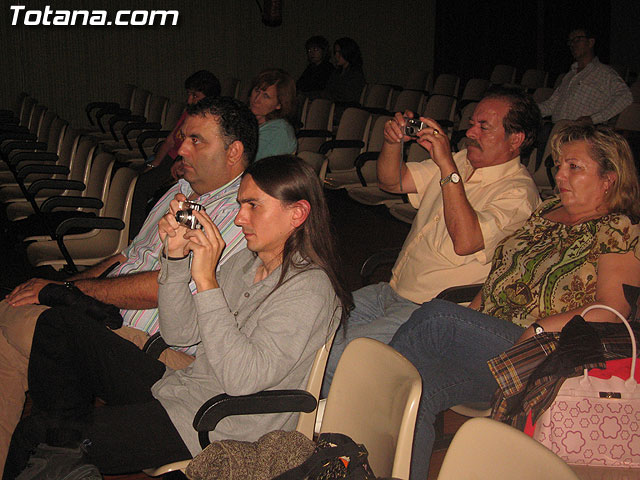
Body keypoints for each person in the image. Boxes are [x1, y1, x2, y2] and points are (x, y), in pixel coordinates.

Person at [4, 155, 351, 477]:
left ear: (298, 213)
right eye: (240, 204)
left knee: (35, 436)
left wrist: (206, 281)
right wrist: (175, 260)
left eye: (253, 206)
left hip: (214, 426)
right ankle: (64, 447)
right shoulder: (248, 262)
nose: (238, 217)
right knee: (59, 325)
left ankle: (60, 447)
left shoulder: (309, 290)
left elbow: (241, 381)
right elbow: (180, 334)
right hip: (182, 390)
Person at [0, 96, 258, 474]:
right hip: (110, 317)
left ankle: (42, 452)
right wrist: (62, 283)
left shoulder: (240, 215)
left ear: (233, 152)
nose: (181, 148)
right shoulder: (180, 192)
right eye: (183, 137)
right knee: (10, 337)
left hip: (156, 346)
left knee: (14, 317)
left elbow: (166, 290)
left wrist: (66, 294)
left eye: (196, 140)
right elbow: (126, 257)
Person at [390, 123, 640, 479]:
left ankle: (363, 404)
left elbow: (612, 311)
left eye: (574, 167)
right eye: (558, 165)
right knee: (415, 393)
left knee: (434, 318)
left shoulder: (620, 229)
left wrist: (538, 330)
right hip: (492, 342)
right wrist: (471, 318)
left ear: (609, 179)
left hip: (543, 351)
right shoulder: (546, 211)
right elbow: (503, 273)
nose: (559, 175)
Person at [322, 86, 542, 397]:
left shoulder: (518, 194)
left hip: (430, 311)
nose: (470, 132)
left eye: (484, 126)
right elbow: (391, 180)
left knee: (339, 356)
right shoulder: (463, 161)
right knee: (315, 333)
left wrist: (448, 168)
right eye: (472, 123)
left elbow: (466, 241)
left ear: (516, 139)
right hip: (392, 291)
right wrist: (391, 142)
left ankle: (323, 429)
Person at [128, 70, 222, 240]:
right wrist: (153, 164)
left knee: (143, 187)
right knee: (138, 179)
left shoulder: (210, 121)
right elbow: (171, 139)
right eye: (189, 95)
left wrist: (179, 161)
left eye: (195, 95)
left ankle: (136, 237)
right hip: (172, 159)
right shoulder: (189, 112)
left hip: (181, 162)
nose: (189, 100)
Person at [539, 27, 632, 125]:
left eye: (577, 40)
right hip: (559, 131)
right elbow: (551, 105)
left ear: (591, 42)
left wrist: (594, 119)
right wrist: (527, 108)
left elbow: (626, 97)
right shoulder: (570, 76)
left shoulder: (605, 73)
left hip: (584, 133)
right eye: (570, 42)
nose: (572, 44)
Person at [249, 68, 298, 160]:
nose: (256, 100)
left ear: (279, 104)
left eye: (266, 96)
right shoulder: (249, 121)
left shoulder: (278, 131)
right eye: (256, 91)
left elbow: (254, 167)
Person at [323, 37, 366, 105]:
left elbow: (348, 97)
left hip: (346, 109)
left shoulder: (355, 74)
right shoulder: (336, 73)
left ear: (348, 52)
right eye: (335, 52)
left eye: (340, 52)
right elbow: (327, 91)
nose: (336, 56)